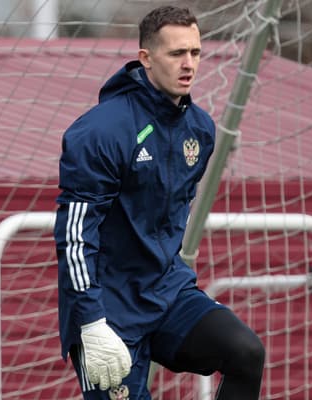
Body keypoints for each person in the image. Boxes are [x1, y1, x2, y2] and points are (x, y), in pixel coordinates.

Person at [54, 5, 265, 400]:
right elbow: (75, 238)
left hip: (168, 293)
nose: (189, 64)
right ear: (146, 58)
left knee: (245, 353)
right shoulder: (100, 132)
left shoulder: (200, 129)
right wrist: (90, 321)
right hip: (109, 309)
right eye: (176, 53)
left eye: (195, 52)